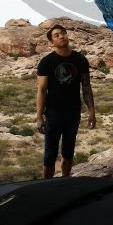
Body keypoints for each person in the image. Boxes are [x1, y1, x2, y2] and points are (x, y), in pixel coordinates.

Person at [35, 24, 95, 178]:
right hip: (53, 113)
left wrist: (92, 112)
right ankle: (46, 187)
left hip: (73, 113)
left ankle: (65, 181)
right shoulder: (46, 62)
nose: (61, 36)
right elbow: (41, 90)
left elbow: (86, 87)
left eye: (63, 33)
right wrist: (39, 116)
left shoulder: (80, 59)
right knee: (50, 154)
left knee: (68, 152)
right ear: (51, 42)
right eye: (56, 35)